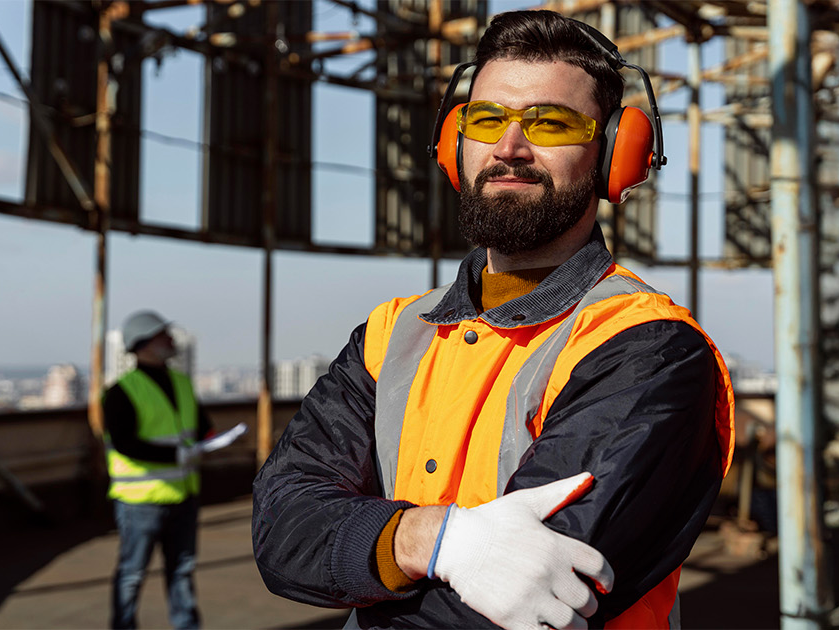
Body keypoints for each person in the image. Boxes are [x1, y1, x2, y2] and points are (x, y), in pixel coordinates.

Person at [252, 10, 734, 630]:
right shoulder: (392, 333)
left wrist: (367, 549)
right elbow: (282, 529)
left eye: (551, 123)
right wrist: (429, 539)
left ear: (616, 152)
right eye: (487, 120)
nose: (509, 148)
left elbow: (533, 598)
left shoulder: (648, 349)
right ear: (457, 144)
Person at [103, 310, 210, 629]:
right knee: (132, 574)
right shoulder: (121, 391)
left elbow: (202, 426)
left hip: (183, 495)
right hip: (141, 501)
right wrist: (178, 455)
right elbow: (125, 444)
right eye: (163, 335)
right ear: (143, 344)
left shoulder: (182, 382)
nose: (171, 339)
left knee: (182, 571)